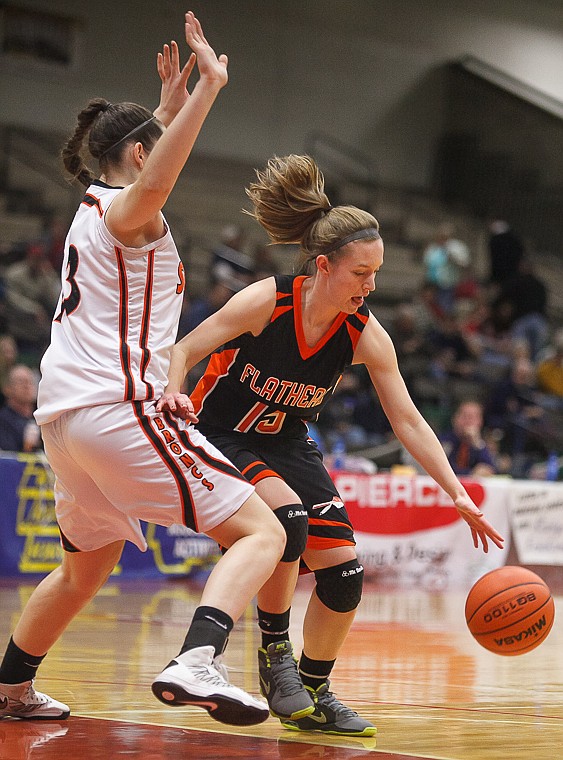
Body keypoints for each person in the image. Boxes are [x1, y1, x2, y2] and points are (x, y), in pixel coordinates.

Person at [0, 12, 285, 726]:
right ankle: (197, 660)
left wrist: (161, 109)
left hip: (65, 424)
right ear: (138, 160)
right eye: (153, 151)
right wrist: (205, 93)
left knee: (79, 571)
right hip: (113, 410)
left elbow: (134, 160)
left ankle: (9, 689)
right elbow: (151, 183)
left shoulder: (91, 208)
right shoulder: (133, 215)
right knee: (264, 531)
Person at [157, 154, 505, 737]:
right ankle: (275, 657)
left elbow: (410, 422)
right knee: (287, 520)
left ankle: (316, 692)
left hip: (287, 441)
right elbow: (183, 349)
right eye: (360, 273)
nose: (371, 286)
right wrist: (171, 389)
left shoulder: (364, 333)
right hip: (219, 431)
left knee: (344, 577)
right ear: (322, 266)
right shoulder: (268, 301)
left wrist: (458, 493)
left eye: (377, 273)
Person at [439, 399, 497, 477]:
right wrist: (470, 474)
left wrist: (477, 442)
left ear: (480, 422)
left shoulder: (483, 445)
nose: (468, 421)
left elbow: (491, 469)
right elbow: (442, 469)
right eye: (465, 416)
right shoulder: (443, 441)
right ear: (454, 419)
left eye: (473, 417)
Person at [0, 364, 42, 452]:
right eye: (21, 382)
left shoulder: (42, 416)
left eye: (30, 381)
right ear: (7, 389)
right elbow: (7, 461)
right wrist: (27, 447)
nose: (27, 386)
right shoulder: (3, 421)